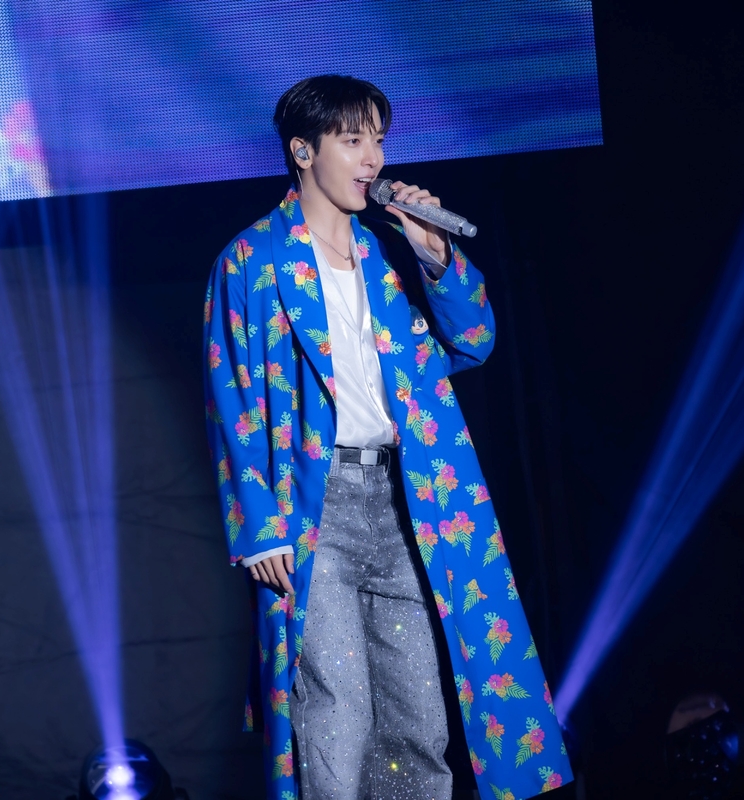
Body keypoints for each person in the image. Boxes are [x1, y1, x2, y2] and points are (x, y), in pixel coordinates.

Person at [203, 75, 572, 799]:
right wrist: (259, 526)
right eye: (352, 139)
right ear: (303, 151)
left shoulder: (384, 256)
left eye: (377, 139)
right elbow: (232, 395)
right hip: (316, 508)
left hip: (408, 502)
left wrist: (435, 255)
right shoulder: (251, 259)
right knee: (335, 718)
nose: (372, 157)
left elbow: (474, 341)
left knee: (418, 720)